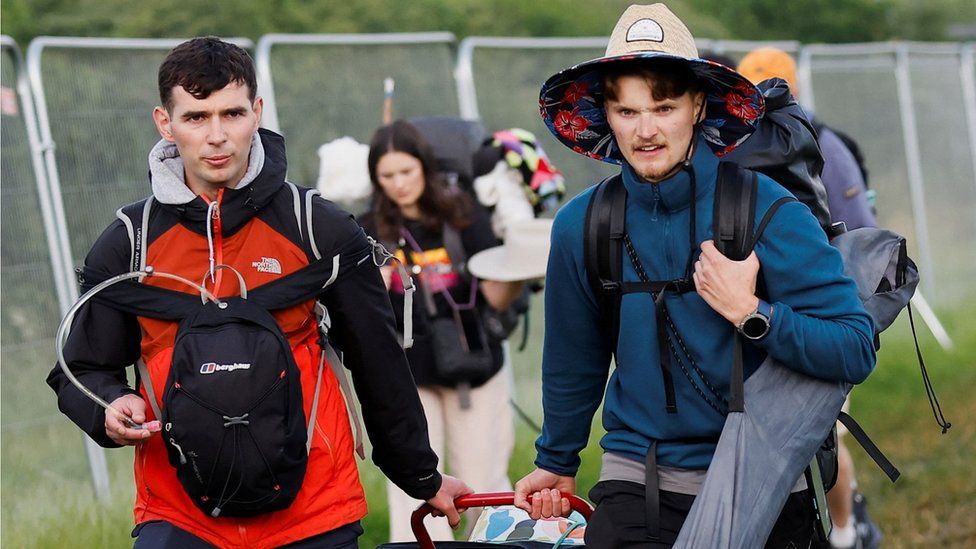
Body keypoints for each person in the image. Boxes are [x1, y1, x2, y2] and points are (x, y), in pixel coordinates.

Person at [46, 37, 470, 549]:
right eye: (196, 117)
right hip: (179, 515)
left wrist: (421, 477)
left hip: (316, 509)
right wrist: (110, 405)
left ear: (258, 113)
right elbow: (82, 368)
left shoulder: (318, 227)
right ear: (165, 123)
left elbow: (379, 361)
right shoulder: (129, 244)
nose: (217, 136)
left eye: (233, 113)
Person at [512, 4, 876, 548]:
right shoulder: (580, 226)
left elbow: (854, 348)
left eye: (663, 107)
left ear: (698, 105)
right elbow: (572, 357)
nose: (647, 130)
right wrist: (556, 461)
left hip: (767, 480)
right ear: (605, 116)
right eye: (628, 111)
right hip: (638, 478)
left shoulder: (767, 210)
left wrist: (752, 315)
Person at [738, 46, 882, 549]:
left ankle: (845, 533)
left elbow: (855, 240)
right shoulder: (809, 143)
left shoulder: (818, 146)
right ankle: (843, 525)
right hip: (767, 321)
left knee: (824, 438)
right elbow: (864, 226)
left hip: (825, 318)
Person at [360, 120, 525, 542]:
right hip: (408, 374)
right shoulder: (369, 228)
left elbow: (495, 296)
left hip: (474, 366)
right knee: (411, 488)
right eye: (388, 176)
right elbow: (365, 314)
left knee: (482, 482)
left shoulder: (464, 214)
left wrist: (521, 260)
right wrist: (371, 281)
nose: (399, 184)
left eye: (407, 172)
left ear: (425, 167)